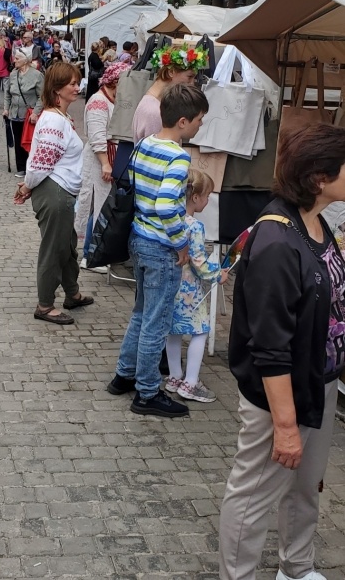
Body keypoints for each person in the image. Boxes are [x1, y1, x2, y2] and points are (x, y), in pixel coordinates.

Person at [219, 123, 345, 580]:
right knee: (254, 495)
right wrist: (286, 425)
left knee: (306, 486)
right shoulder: (276, 239)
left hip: (320, 380)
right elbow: (269, 347)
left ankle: (296, 566)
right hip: (280, 394)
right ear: (319, 178)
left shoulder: (317, 221)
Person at [107, 83, 209, 417]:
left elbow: (139, 190)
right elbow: (167, 206)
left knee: (141, 312)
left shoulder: (145, 144)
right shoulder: (179, 157)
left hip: (138, 239)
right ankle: (147, 392)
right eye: (199, 120)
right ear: (182, 121)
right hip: (161, 247)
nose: (200, 126)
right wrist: (181, 242)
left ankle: (125, 374)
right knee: (156, 321)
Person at [14, 61, 93, 325]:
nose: (77, 86)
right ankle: (45, 305)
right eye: (71, 83)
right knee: (54, 249)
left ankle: (72, 293)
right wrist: (27, 186)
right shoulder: (52, 121)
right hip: (54, 191)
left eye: (77, 81)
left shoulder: (58, 118)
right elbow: (41, 161)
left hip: (60, 190)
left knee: (67, 246)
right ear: (57, 88)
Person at [165, 169, 227, 403]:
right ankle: (190, 382)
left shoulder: (171, 221)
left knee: (172, 331)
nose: (208, 200)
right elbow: (199, 261)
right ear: (195, 197)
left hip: (170, 285)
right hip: (190, 290)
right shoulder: (195, 227)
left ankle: (174, 376)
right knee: (200, 331)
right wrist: (216, 275)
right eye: (207, 195)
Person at [76, 61, 128, 270]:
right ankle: (90, 254)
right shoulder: (98, 101)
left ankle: (98, 251)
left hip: (109, 156)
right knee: (97, 206)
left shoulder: (111, 99)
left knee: (104, 206)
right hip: (100, 159)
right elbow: (97, 137)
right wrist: (106, 164)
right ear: (115, 82)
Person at [132, 42, 208, 143]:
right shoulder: (154, 111)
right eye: (189, 77)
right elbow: (157, 153)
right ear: (171, 72)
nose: (192, 83)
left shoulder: (158, 103)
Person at [3, 51, 44, 178]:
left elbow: (42, 97)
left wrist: (36, 113)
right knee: (17, 140)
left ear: (25, 60)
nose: (14, 61)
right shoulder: (13, 74)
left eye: (17, 58)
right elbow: (8, 93)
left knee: (30, 141)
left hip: (29, 115)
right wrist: (6, 109)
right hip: (15, 113)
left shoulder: (37, 75)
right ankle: (21, 167)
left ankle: (31, 166)